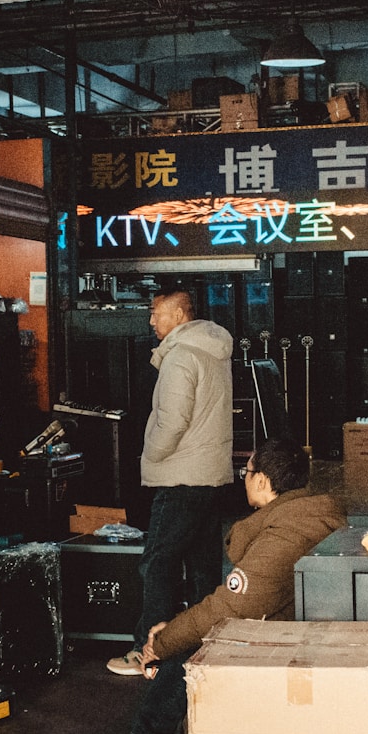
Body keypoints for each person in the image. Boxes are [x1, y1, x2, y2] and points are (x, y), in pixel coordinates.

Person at [81, 439, 346, 734]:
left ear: (263, 481)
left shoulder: (285, 533)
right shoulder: (309, 514)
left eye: (246, 473)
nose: (244, 479)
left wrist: (160, 643)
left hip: (288, 642)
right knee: (193, 630)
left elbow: (231, 607)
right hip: (299, 628)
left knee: (194, 641)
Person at [107, 288, 234, 676]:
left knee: (158, 564)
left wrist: (151, 456)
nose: (151, 321)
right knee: (202, 567)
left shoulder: (181, 356)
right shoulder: (213, 351)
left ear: (179, 314)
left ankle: (149, 651)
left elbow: (173, 420)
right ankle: (203, 647)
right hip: (210, 475)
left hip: (181, 476)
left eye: (156, 313)